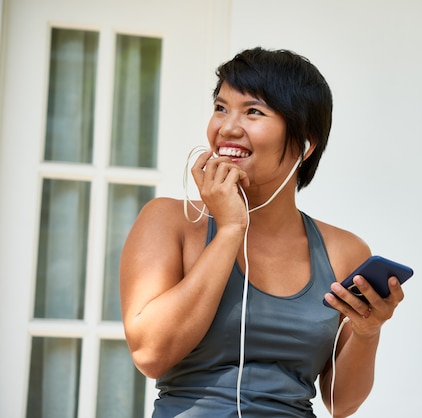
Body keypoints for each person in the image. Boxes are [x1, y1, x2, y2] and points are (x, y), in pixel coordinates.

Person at [120, 47, 405, 417]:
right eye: (221, 108)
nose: (227, 128)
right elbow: (150, 354)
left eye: (253, 112)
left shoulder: (343, 251)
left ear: (306, 142)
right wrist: (230, 230)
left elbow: (341, 403)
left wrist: (368, 333)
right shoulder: (169, 221)